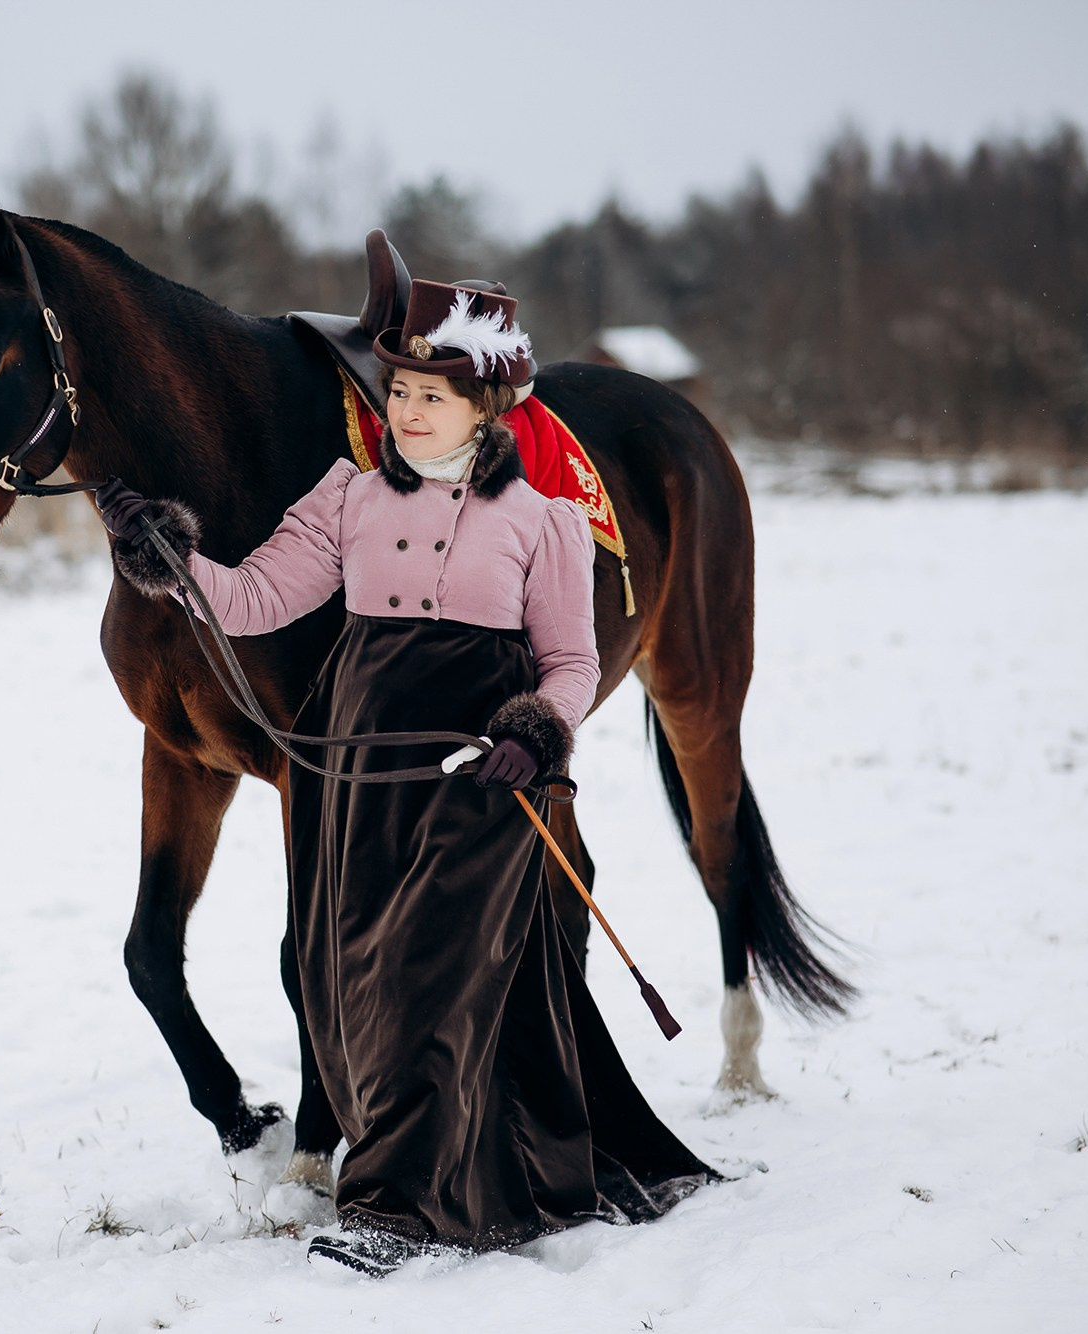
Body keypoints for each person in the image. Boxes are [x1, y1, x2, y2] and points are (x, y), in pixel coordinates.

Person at [96, 279, 713, 1277]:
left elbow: (570, 662)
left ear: (486, 408)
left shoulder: (545, 521)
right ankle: (458, 1161)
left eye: (433, 395)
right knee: (348, 981)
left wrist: (533, 734)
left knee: (428, 974)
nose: (407, 410)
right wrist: (168, 557)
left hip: (480, 768)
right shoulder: (346, 496)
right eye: (398, 391)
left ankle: (392, 1210)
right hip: (359, 765)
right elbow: (251, 600)